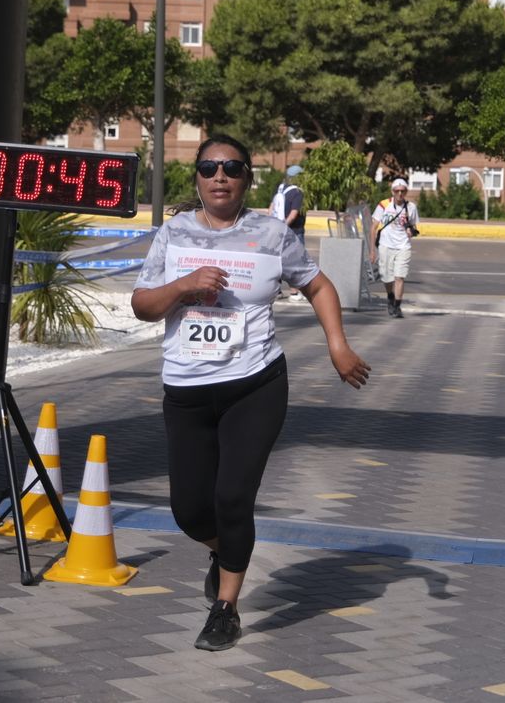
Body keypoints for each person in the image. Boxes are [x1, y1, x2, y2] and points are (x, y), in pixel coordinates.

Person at [132, 136, 370, 653]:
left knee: (233, 497)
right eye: (209, 167)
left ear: (247, 178)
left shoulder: (271, 234)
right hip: (187, 389)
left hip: (255, 384)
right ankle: (226, 553)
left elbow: (318, 286)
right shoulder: (174, 233)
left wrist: (337, 345)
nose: (220, 176)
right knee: (190, 510)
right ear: (197, 177)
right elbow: (143, 305)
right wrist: (184, 285)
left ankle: (226, 608)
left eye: (232, 168)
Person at [370, 178, 419, 318]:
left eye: (402, 191)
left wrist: (411, 231)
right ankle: (390, 295)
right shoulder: (383, 205)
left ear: (406, 192)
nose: (400, 194)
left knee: (399, 276)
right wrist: (372, 250)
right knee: (386, 277)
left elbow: (413, 226)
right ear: (392, 192)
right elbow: (373, 228)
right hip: (385, 245)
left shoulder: (411, 207)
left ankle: (397, 306)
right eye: (397, 191)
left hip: (403, 246)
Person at [269, 163, 307, 298]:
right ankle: (294, 292)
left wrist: (275, 226)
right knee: (295, 260)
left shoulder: (280, 189)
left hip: (277, 230)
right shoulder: (297, 192)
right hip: (294, 230)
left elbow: (271, 208)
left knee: (277, 261)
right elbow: (294, 213)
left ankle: (276, 291)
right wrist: (285, 226)